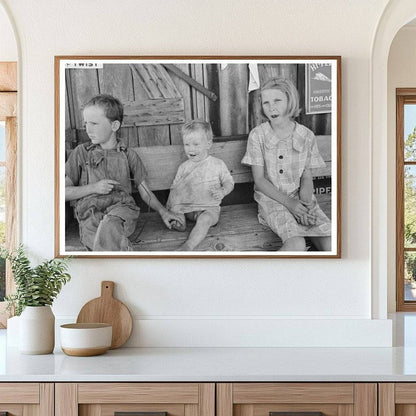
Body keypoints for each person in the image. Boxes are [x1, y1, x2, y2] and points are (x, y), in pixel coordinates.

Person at [65, 94, 181, 251]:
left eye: (94, 123)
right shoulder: (81, 153)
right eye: (86, 123)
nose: (88, 129)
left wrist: (164, 212)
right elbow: (63, 193)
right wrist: (94, 188)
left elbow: (145, 191)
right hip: (90, 214)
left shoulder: (128, 155)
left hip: (122, 211)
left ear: (114, 126)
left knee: (109, 225)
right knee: (99, 239)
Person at [242, 78, 331, 251]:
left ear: (290, 101)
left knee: (331, 242)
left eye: (277, 101)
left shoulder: (306, 136)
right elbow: (259, 181)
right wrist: (290, 204)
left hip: (301, 198)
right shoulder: (258, 135)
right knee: (296, 244)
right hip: (271, 200)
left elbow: (306, 176)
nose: (271, 107)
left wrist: (305, 206)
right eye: (266, 102)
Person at [167, 120, 234, 251]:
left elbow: (229, 181)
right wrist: (174, 206)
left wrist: (223, 190)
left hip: (209, 208)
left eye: (196, 144)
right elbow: (175, 189)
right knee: (176, 210)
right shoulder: (184, 167)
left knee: (204, 220)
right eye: (187, 144)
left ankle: (188, 246)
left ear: (208, 144)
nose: (191, 149)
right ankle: (180, 222)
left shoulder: (217, 164)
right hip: (188, 208)